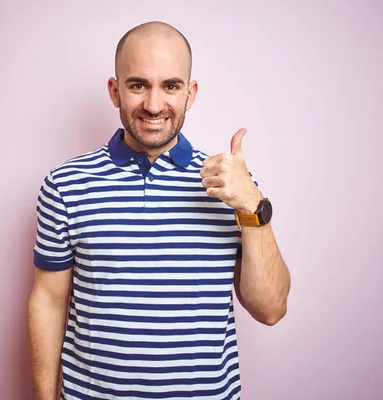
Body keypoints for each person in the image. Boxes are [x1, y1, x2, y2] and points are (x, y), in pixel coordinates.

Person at [28, 21, 291, 400]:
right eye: (138, 85)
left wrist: (252, 204)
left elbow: (270, 309)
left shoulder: (230, 184)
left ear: (191, 93)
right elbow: (48, 301)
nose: (154, 105)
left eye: (171, 86)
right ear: (115, 91)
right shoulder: (65, 184)